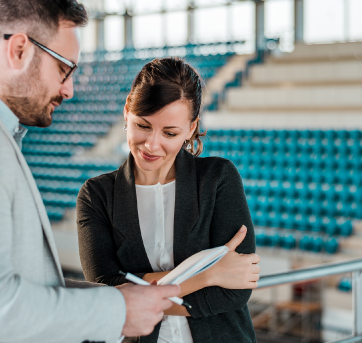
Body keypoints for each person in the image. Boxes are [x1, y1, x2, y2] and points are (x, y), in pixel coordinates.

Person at [0, 1, 179, 342]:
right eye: (63, 69)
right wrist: (117, 312)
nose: (69, 90)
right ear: (18, 50)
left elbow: (17, 284)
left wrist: (120, 300)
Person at [76, 57, 260, 343]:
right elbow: (106, 291)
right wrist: (207, 276)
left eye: (170, 133)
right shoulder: (97, 195)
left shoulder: (218, 178)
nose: (152, 144)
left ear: (190, 128)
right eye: (143, 125)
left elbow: (236, 289)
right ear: (127, 112)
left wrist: (139, 293)